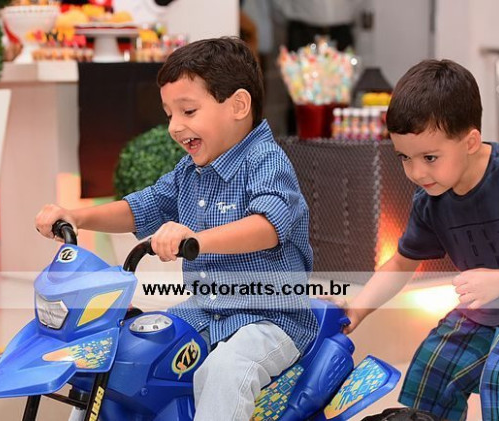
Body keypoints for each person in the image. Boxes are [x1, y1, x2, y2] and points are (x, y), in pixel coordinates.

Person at [35, 36, 318, 421]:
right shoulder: (190, 171)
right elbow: (142, 207)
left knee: (225, 370)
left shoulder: (265, 161)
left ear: (238, 105)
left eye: (188, 111)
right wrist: (78, 217)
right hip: (204, 312)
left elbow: (268, 225)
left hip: (271, 318)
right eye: (169, 114)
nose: (174, 126)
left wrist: (196, 239)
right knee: (127, 352)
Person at [332, 59, 499, 420]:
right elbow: (401, 262)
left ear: (470, 141)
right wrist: (357, 311)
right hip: (487, 310)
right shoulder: (431, 200)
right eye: (405, 158)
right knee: (431, 373)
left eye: (429, 157)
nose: (416, 172)